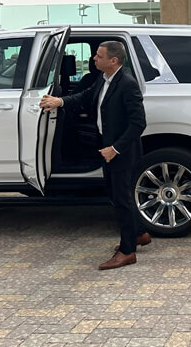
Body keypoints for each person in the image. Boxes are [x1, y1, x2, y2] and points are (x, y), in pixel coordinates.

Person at [40, 41, 148, 270]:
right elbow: (87, 96)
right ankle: (139, 234)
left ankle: (127, 251)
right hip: (107, 147)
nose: (94, 59)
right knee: (116, 195)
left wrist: (115, 149)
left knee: (122, 199)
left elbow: (138, 123)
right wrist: (60, 101)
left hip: (121, 152)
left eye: (99, 56)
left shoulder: (127, 84)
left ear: (113, 61)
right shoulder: (104, 78)